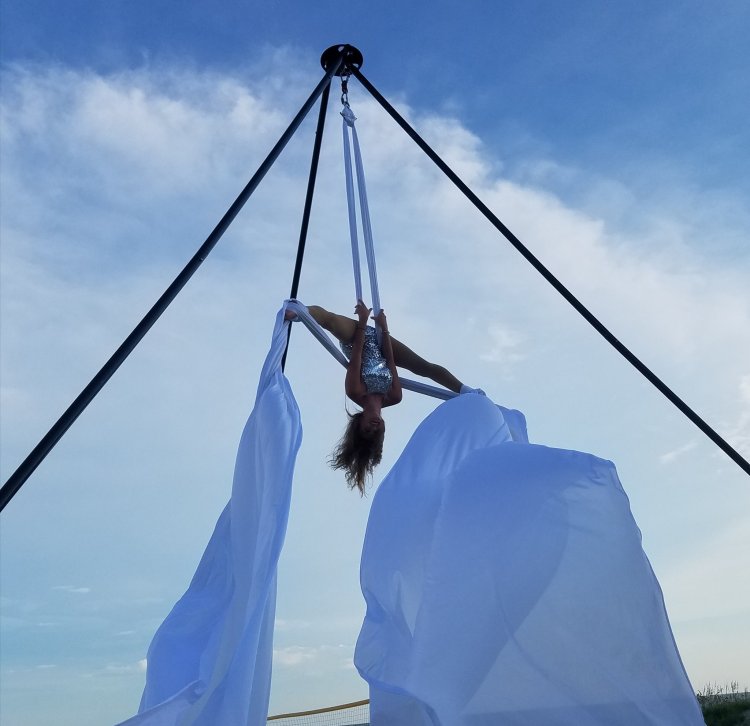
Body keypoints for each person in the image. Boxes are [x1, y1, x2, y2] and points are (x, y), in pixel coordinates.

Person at [285, 300, 465, 493]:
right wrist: (384, 329)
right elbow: (390, 361)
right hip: (382, 345)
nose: (373, 427)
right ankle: (466, 390)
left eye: (367, 430)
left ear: (359, 424)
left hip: (355, 339)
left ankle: (300, 313)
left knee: (330, 321)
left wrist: (362, 321)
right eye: (376, 432)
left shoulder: (355, 391)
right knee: (424, 367)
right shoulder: (394, 396)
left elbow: (356, 356)